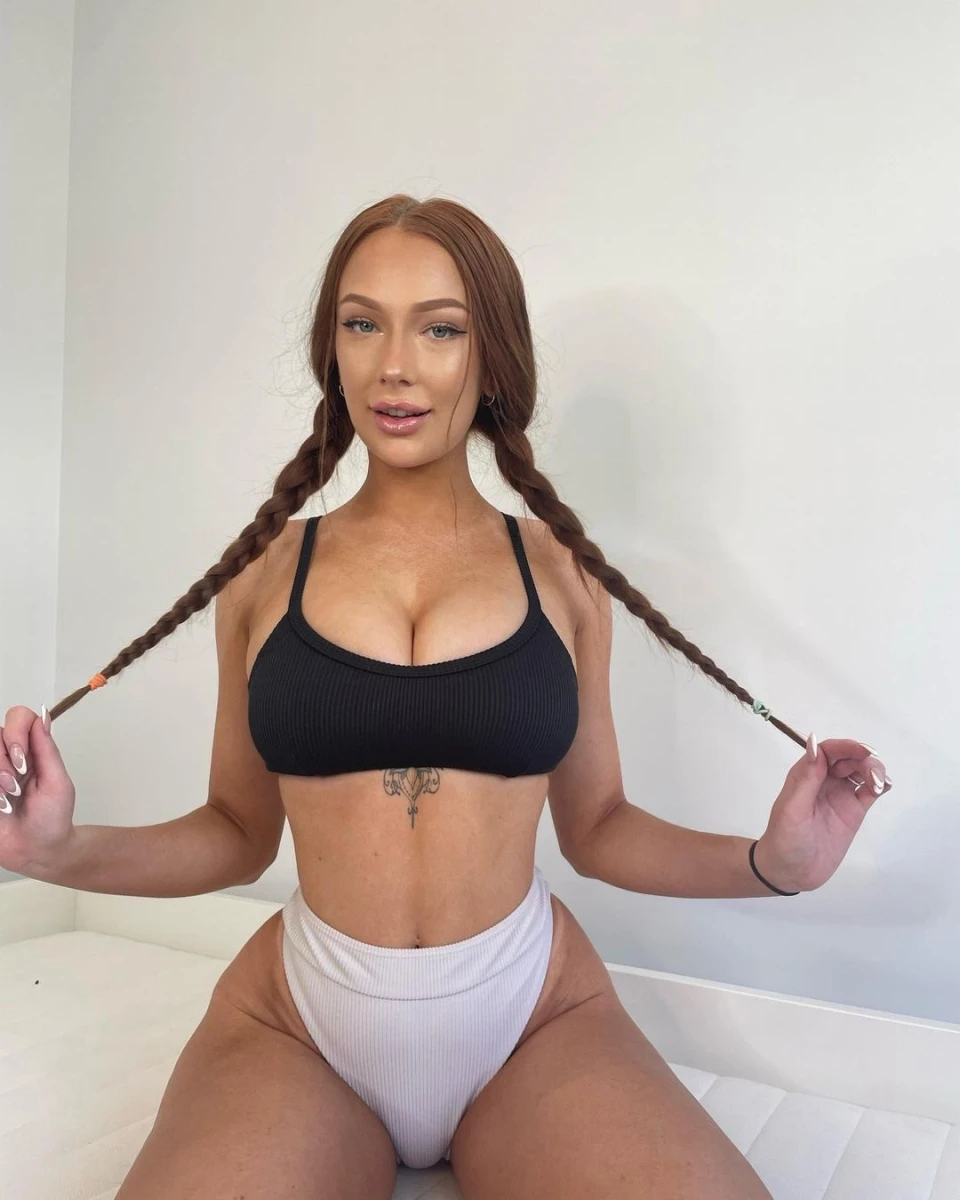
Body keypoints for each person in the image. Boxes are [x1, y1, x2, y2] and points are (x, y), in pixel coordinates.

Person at [0, 195, 890, 1199]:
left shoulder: (563, 575)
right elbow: (236, 834)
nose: (395, 365)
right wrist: (53, 853)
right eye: (362, 322)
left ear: (492, 356)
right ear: (331, 348)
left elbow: (599, 828)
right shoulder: (264, 574)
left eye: (440, 329)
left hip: (531, 1018)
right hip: (302, 1023)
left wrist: (773, 866)